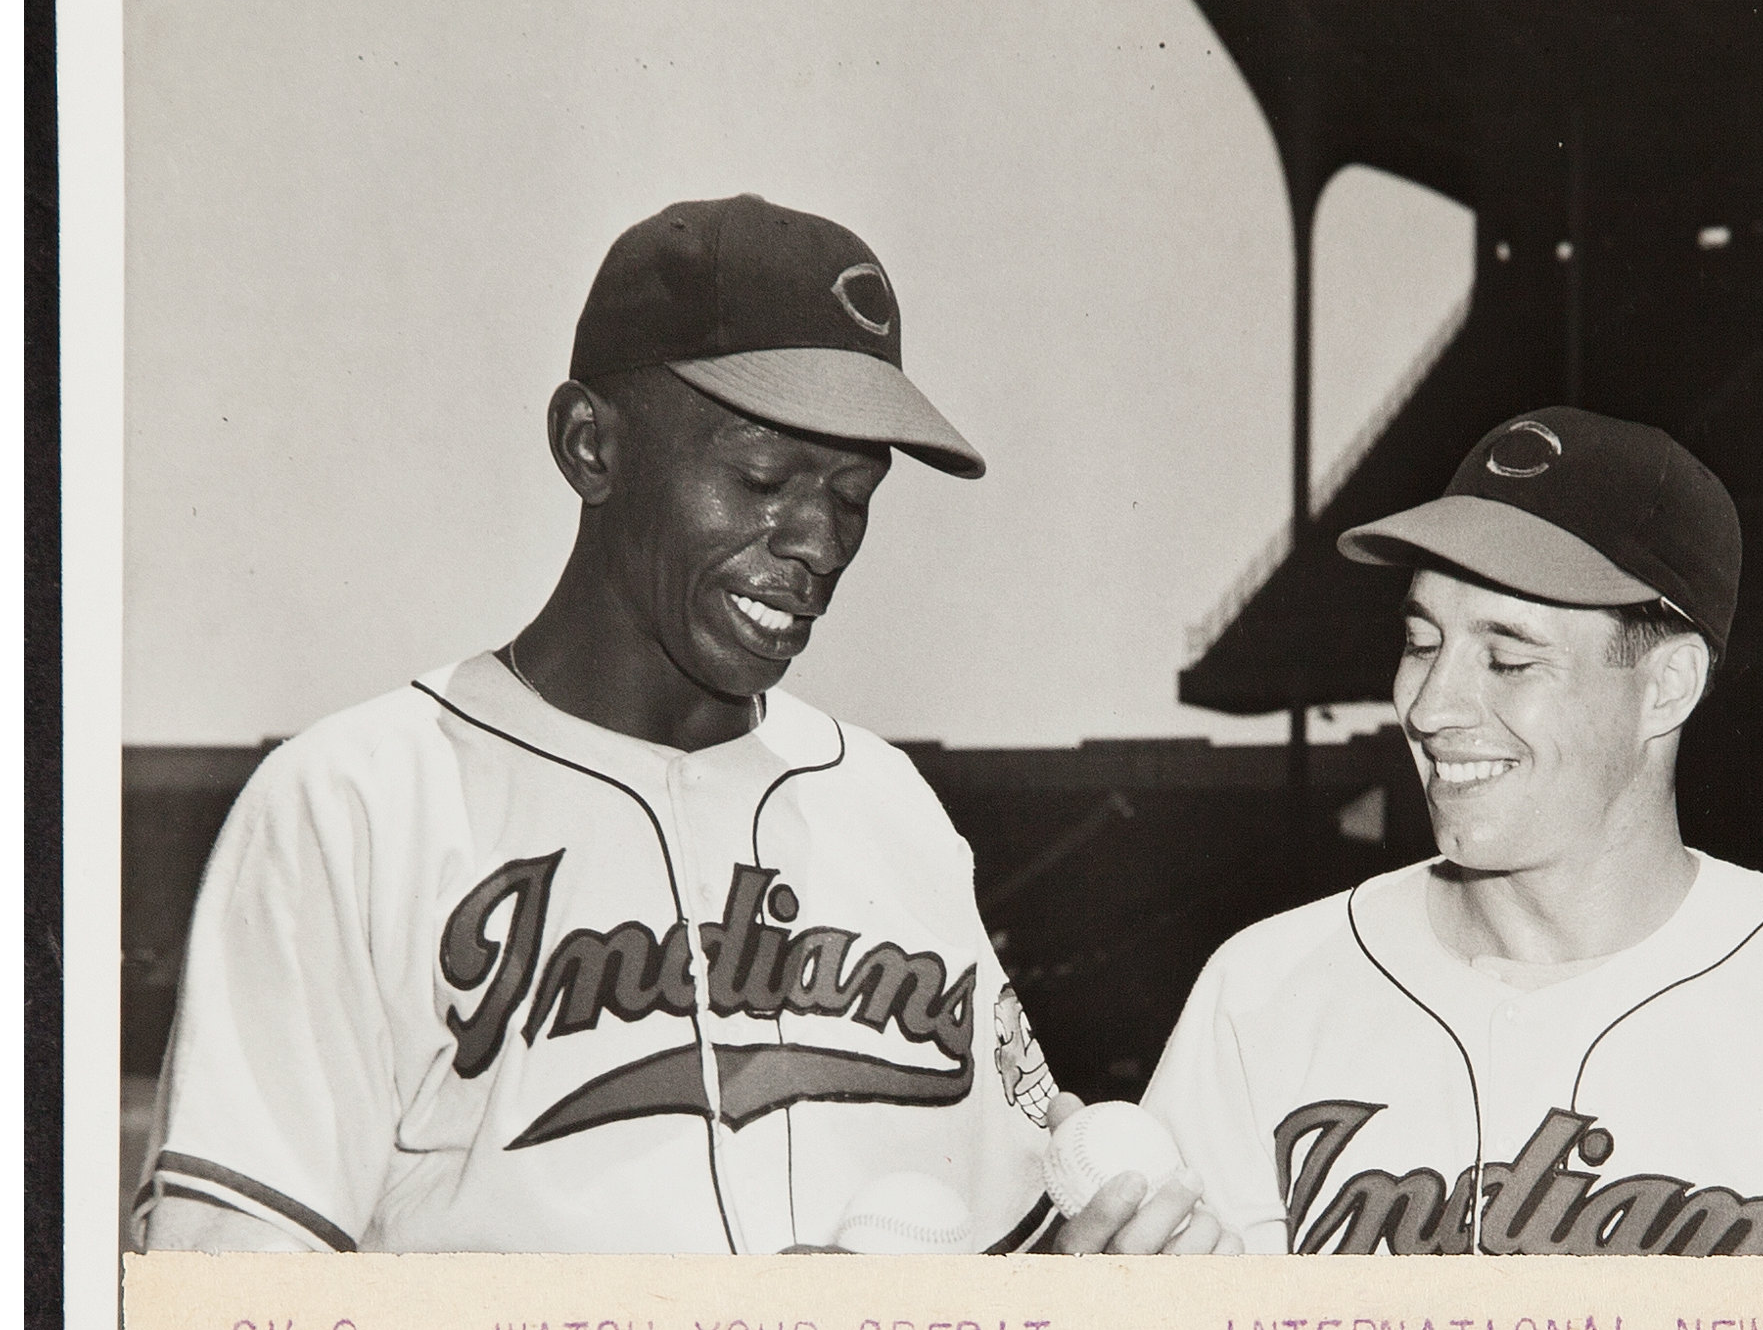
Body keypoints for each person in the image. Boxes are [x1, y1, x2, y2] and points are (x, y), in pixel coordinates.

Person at [137, 193, 1223, 1257]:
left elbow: (1006, 1218)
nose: (818, 541)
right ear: (589, 446)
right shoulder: (358, 803)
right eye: (762, 476)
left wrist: (1085, 1275)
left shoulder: (888, 807)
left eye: (854, 496)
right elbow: (236, 1313)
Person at [1144, 406, 1763, 1257]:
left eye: (1508, 658)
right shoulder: (1260, 994)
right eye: (1422, 643)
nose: (1430, 707)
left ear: (1666, 685)